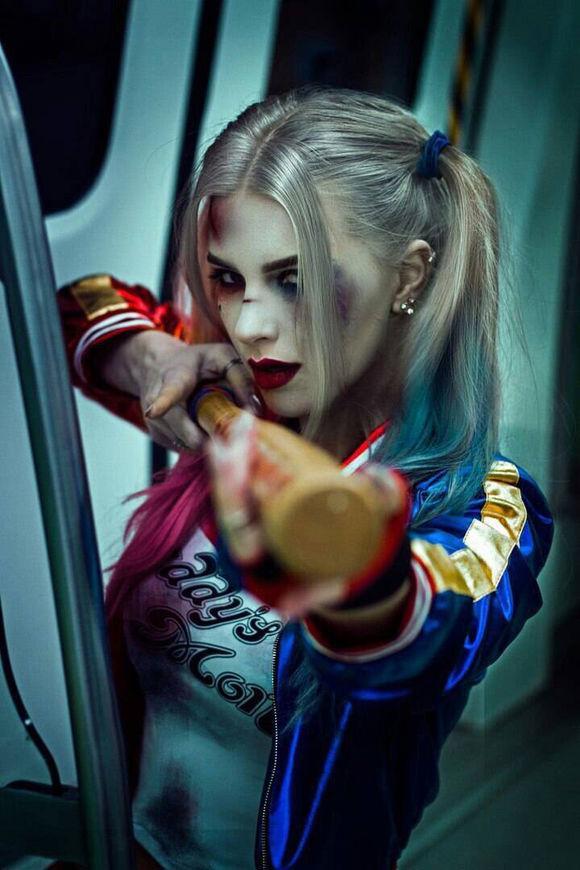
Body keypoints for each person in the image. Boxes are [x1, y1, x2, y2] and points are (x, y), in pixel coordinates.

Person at [57, 88, 554, 870]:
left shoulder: (489, 501)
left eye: (294, 280)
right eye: (227, 279)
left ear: (408, 277)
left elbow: (434, 630)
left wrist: (351, 569)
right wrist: (156, 359)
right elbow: (76, 304)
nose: (249, 324)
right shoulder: (232, 401)